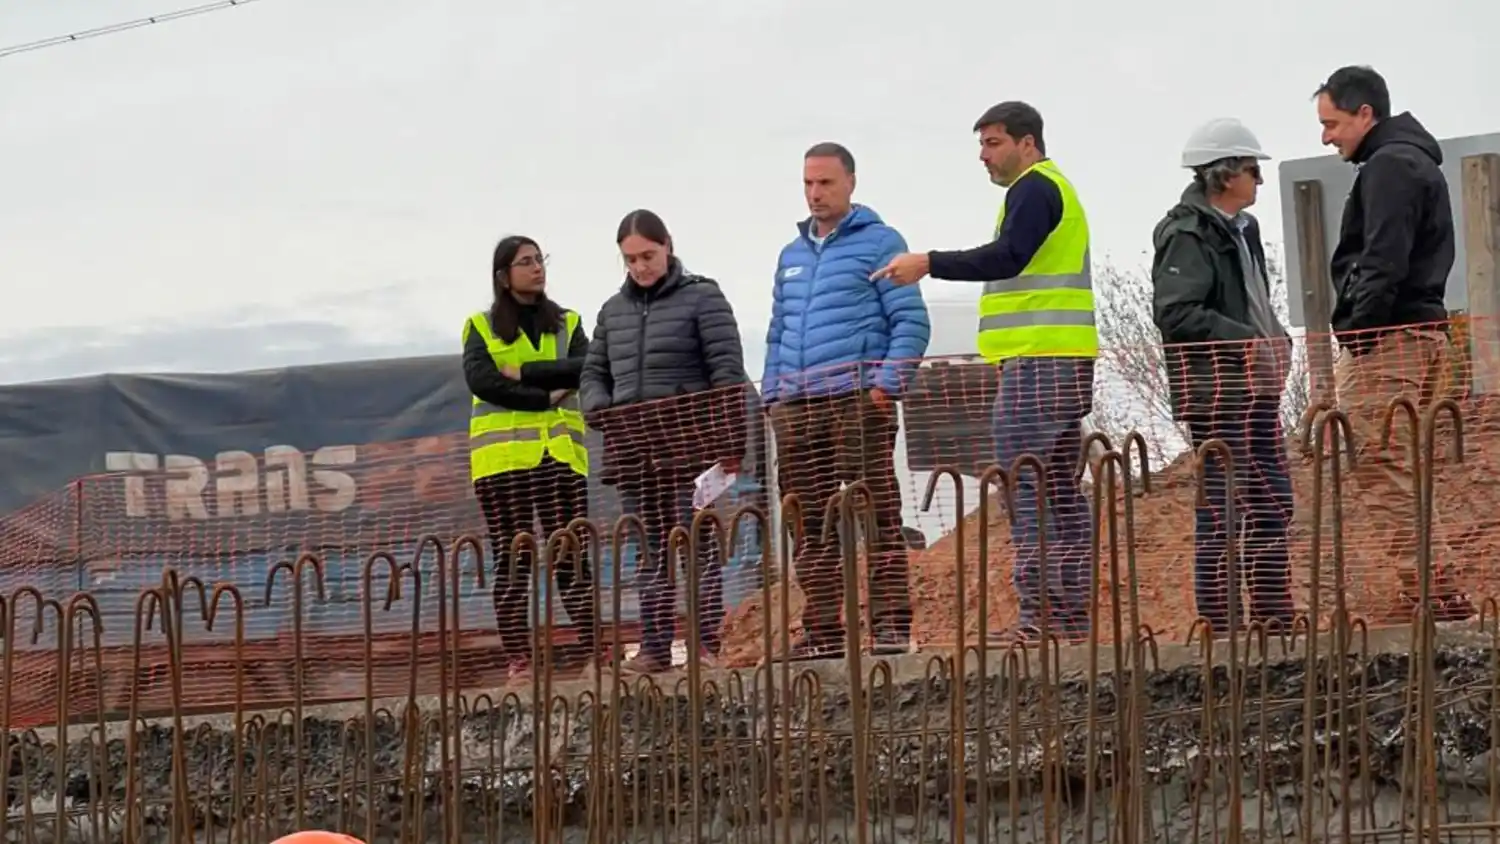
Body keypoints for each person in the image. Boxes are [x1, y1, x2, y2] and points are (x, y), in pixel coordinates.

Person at [873, 101, 1096, 644]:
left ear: (1027, 143)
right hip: (1062, 359)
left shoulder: (1034, 189)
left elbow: (1007, 256)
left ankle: (1042, 618)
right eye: (982, 145)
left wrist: (929, 262)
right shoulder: (1052, 189)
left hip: (1039, 361)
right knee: (1058, 491)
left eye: (993, 143)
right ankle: (1068, 617)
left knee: (1028, 488)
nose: (983, 156)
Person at [761, 142, 930, 660]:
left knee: (874, 512)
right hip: (797, 408)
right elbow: (777, 332)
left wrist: (885, 386)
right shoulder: (790, 257)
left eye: (826, 182)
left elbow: (910, 321)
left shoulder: (881, 243)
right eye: (808, 183)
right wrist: (772, 395)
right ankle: (822, 631)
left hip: (857, 400)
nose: (815, 193)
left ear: (851, 183)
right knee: (807, 522)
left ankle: (890, 626)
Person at [580, 209, 751, 674]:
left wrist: (731, 444)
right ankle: (655, 648)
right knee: (650, 554)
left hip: (690, 450)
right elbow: (593, 372)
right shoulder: (611, 312)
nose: (640, 266)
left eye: (647, 256)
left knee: (697, 548)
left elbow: (727, 373)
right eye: (630, 259)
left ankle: (705, 646)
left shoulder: (704, 297)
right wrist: (598, 405)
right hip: (633, 453)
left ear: (668, 246)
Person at [1315, 65, 1457, 604]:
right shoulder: (1412, 160)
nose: (1326, 137)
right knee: (1402, 465)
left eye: (1332, 123)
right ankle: (1437, 586)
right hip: (1422, 332)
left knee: (1377, 461)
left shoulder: (1389, 166)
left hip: (1391, 339)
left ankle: (1429, 591)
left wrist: (1357, 333)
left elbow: (1382, 260)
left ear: (1365, 114)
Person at [1151, 118, 1295, 634]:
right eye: (1252, 170)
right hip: (1218, 393)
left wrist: (1276, 339)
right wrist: (1245, 340)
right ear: (1225, 174)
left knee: (1272, 501)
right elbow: (1176, 312)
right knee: (1223, 508)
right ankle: (1222, 625)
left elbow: (1254, 301)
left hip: (1256, 387)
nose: (1259, 180)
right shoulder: (1187, 234)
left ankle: (1274, 618)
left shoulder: (1242, 230)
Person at [463, 235, 594, 683]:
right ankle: (519, 659)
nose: (537, 268)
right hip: (503, 463)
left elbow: (586, 367)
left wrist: (525, 374)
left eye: (540, 259)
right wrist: (543, 397)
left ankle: (596, 650)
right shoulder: (480, 327)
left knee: (571, 554)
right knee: (513, 557)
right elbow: (484, 382)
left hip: (560, 456)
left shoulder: (568, 322)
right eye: (526, 261)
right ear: (504, 276)